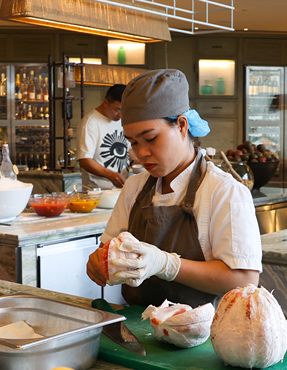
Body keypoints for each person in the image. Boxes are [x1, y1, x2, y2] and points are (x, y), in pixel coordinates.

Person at [85, 69, 262, 307]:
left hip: (204, 334)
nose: (142, 153)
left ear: (181, 125)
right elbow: (108, 248)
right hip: (140, 326)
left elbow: (244, 279)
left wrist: (166, 264)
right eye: (134, 142)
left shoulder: (223, 190)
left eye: (151, 138)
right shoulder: (135, 187)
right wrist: (99, 261)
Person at [76, 84, 130, 189]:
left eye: (124, 110)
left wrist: (138, 162)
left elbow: (128, 149)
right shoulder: (90, 123)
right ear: (106, 102)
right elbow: (84, 159)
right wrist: (110, 175)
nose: (120, 115)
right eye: (117, 109)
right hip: (97, 191)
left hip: (121, 188)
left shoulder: (122, 120)